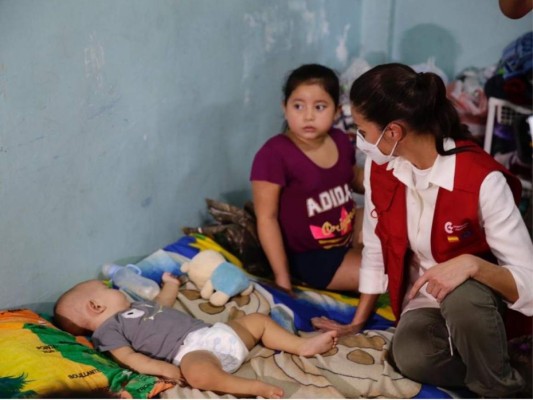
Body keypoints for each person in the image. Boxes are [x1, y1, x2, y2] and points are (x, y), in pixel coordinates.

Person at [313, 62, 533, 397]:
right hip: (425, 298)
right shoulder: (380, 167)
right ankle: (505, 369)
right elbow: (375, 245)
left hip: (480, 301)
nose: (359, 141)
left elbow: (528, 283)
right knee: (412, 357)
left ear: (393, 132)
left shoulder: (481, 180)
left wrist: (473, 265)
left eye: (362, 130)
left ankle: (501, 389)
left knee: (464, 298)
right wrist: (357, 321)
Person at [54, 272, 338, 399]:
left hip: (212, 333)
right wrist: (165, 369)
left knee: (257, 321)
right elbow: (131, 358)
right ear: (96, 306)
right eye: (107, 288)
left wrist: (171, 286)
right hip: (190, 352)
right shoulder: (108, 330)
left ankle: (301, 346)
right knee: (197, 373)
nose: (115, 287)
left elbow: (163, 305)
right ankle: (252, 388)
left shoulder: (137, 306)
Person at [250, 64, 370, 331]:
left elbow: (352, 178)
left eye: (319, 107)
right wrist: (282, 280)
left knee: (393, 229)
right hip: (312, 256)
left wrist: (395, 178)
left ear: (337, 111)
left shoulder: (340, 140)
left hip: (347, 234)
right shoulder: (274, 154)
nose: (308, 116)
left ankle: (364, 257)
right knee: (383, 272)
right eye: (298, 106)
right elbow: (266, 218)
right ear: (284, 107)